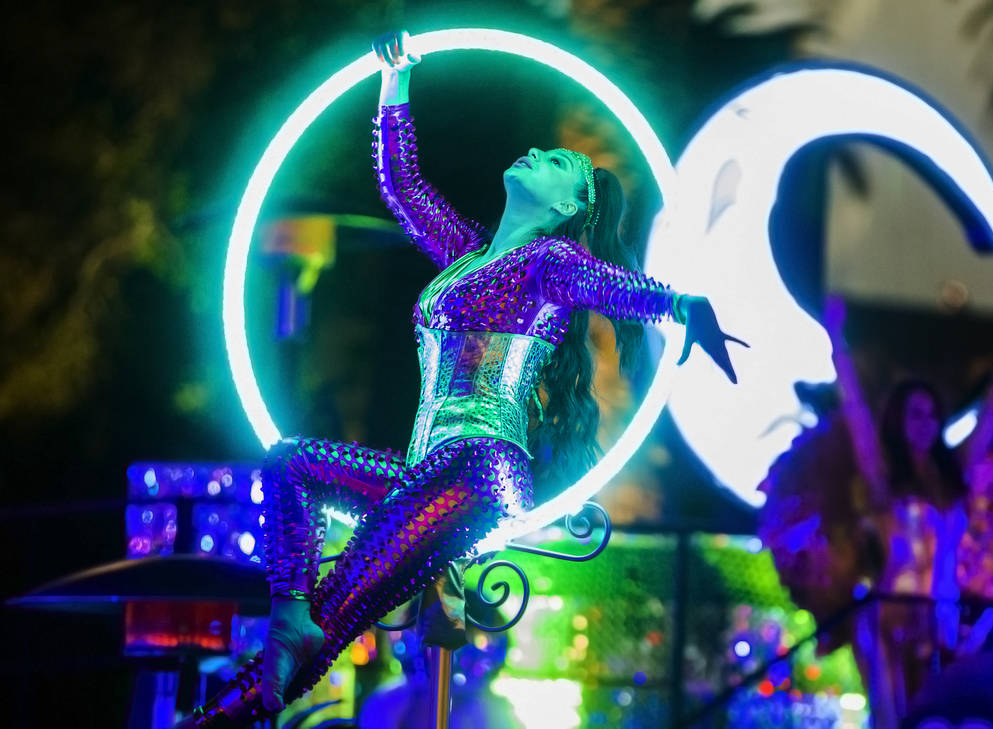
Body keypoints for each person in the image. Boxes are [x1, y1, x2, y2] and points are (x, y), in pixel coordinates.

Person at [182, 30, 745, 727]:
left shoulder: (549, 263)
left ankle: (225, 711)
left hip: (479, 470)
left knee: (344, 601)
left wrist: (684, 307)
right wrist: (396, 81)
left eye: (560, 160)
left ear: (568, 205)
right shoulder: (464, 256)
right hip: (432, 472)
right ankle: (281, 629)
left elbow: (612, 286)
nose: (539, 150)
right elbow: (403, 188)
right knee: (292, 467)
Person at [824, 293, 993, 725]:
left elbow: (991, 417)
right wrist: (836, 340)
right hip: (891, 615)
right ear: (899, 421)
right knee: (895, 717)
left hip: (940, 615)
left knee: (938, 714)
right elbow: (857, 412)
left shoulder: (952, 472)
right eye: (913, 414)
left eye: (929, 413)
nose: (922, 421)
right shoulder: (884, 476)